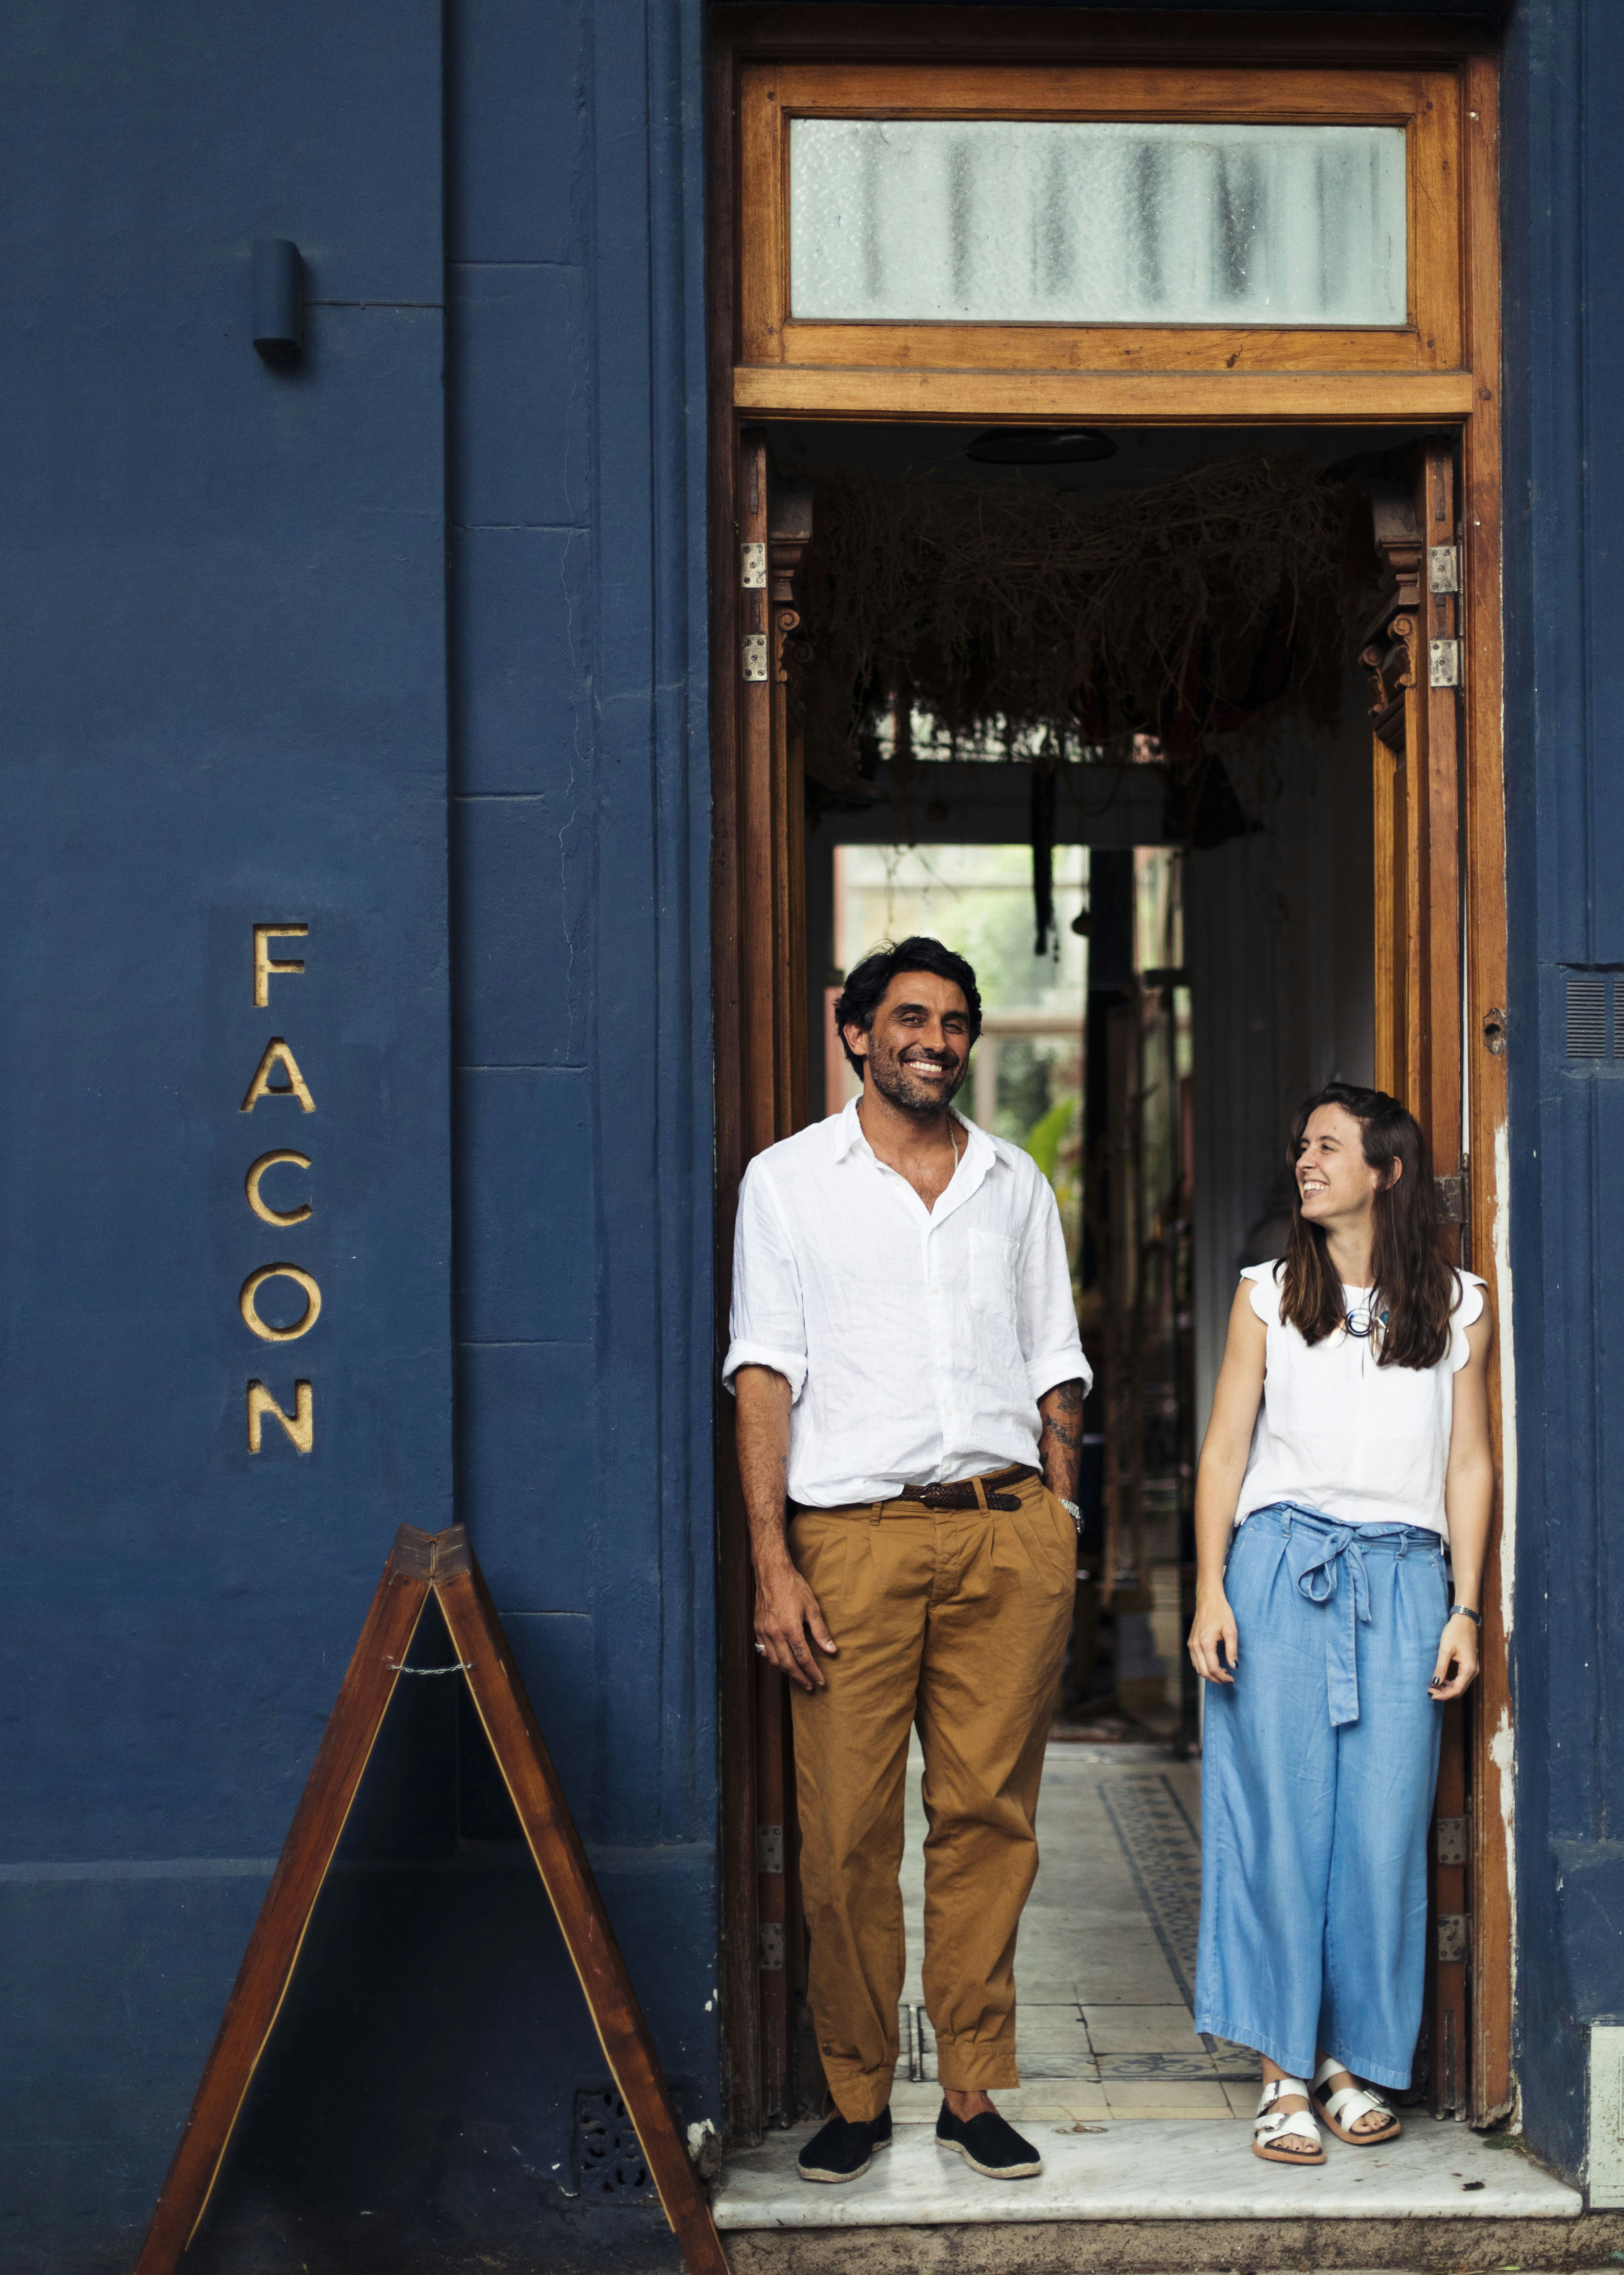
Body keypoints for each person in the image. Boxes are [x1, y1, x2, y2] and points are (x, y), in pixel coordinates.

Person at [724, 936, 1091, 2186]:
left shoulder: (1014, 1183)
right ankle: (859, 2093)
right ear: (856, 1031)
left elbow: (1057, 1365)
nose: (936, 1039)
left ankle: (975, 2089)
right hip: (852, 1545)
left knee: (989, 1817)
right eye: (911, 1018)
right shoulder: (787, 1184)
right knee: (843, 1837)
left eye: (955, 1022)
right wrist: (773, 1563)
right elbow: (764, 1373)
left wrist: (1062, 1517)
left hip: (1005, 1532)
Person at [1188, 1085, 1494, 2165]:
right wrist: (1210, 1589)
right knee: (1278, 1824)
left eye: (1327, 1146)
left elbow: (1468, 1462)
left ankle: (1350, 2064)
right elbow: (1225, 1450)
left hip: (1409, 1584)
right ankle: (1279, 2070)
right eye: (1301, 1146)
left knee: (1381, 1832)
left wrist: (1464, 1607)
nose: (1304, 1161)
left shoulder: (1458, 1305)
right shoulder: (1267, 1297)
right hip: (1280, 1571)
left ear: (1386, 1170)